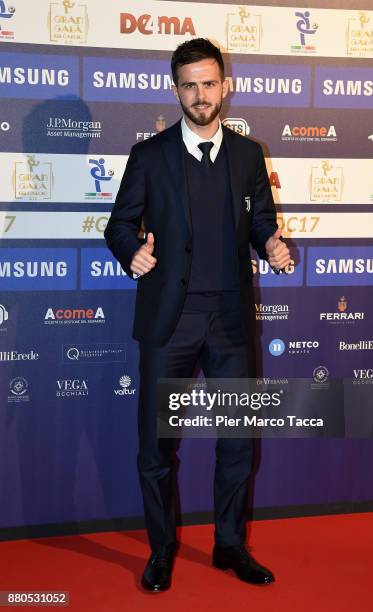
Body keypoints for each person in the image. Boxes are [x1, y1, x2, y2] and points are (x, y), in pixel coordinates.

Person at [104, 38, 291, 592]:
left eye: (209, 83)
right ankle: (161, 550)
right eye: (189, 84)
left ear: (225, 86)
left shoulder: (249, 154)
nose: (200, 94)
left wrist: (271, 246)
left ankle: (229, 545)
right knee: (156, 447)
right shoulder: (150, 156)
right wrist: (129, 250)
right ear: (175, 89)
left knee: (237, 440)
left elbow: (258, 224)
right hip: (170, 322)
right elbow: (118, 224)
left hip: (231, 322)